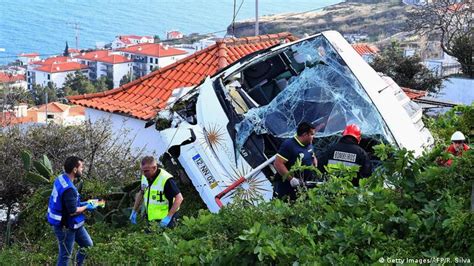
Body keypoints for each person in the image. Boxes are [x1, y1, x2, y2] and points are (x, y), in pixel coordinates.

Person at [47, 156, 97, 266]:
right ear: (75, 170)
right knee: (65, 256)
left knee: (87, 245)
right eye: (81, 167)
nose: (82, 169)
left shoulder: (61, 178)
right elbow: (73, 211)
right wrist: (87, 206)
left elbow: (67, 203)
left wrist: (86, 203)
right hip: (65, 226)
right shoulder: (69, 189)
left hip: (73, 223)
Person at [129, 156, 184, 228]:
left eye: (146, 171)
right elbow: (142, 192)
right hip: (152, 219)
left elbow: (179, 198)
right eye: (142, 170)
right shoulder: (145, 177)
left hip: (167, 219)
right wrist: (134, 211)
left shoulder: (166, 179)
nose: (144, 173)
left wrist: (168, 217)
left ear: (154, 168)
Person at [273, 122, 318, 200]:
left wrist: (314, 160)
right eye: (312, 134)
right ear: (304, 134)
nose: (313, 137)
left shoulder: (309, 144)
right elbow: (278, 163)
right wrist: (291, 179)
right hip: (288, 187)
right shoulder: (289, 145)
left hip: (304, 185)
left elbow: (312, 154)